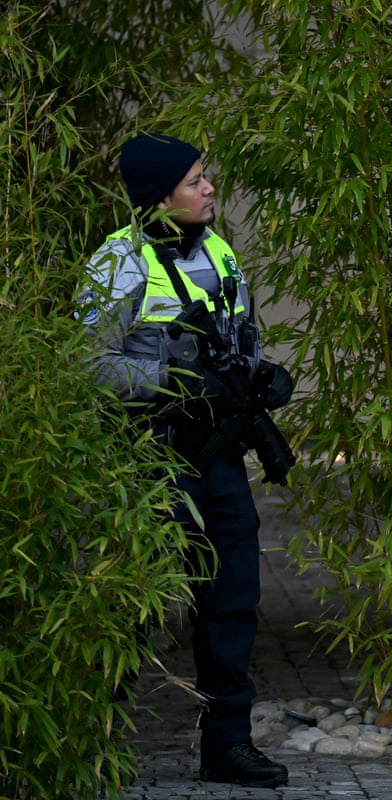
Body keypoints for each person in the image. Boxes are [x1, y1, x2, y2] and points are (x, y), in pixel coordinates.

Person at [80, 132, 292, 788]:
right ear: (158, 195)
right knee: (132, 606)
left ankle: (226, 746)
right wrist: (169, 383)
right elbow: (87, 367)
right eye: (195, 180)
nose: (209, 189)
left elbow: (241, 341)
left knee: (231, 602)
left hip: (217, 456)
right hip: (145, 463)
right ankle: (97, 747)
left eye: (205, 178)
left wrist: (263, 377)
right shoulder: (118, 264)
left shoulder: (221, 254)